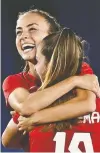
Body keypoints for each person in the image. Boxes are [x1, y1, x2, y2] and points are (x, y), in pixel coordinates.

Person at [2, 9, 100, 151]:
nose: (23, 36)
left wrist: (33, 118)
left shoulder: (78, 67)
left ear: (52, 36)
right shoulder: (13, 81)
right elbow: (9, 136)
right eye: (19, 32)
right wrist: (74, 81)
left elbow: (87, 104)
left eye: (32, 29)